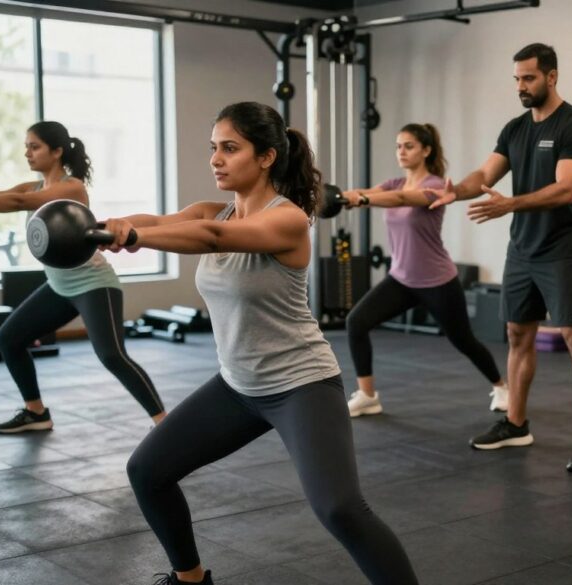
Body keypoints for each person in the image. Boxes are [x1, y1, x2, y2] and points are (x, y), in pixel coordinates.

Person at [101, 102, 417, 585]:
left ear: (267, 156)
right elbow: (169, 221)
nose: (216, 159)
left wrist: (136, 236)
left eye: (230, 148)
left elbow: (212, 237)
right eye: (214, 148)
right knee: (147, 471)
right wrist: (105, 227)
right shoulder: (214, 209)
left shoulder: (288, 220)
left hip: (301, 386)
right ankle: (190, 581)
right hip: (237, 387)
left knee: (341, 509)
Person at [431, 43, 572, 472]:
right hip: (523, 249)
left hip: (563, 248)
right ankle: (515, 423)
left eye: (528, 78)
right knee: (517, 334)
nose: (520, 86)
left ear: (551, 76)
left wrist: (510, 204)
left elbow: (565, 189)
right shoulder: (515, 129)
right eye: (516, 79)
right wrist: (457, 191)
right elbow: (485, 174)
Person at [0, 121, 166, 434]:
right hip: (59, 286)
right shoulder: (33, 187)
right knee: (9, 338)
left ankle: (165, 424)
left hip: (93, 283)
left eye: (34, 146)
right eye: (26, 146)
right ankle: (36, 412)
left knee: (112, 355)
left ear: (57, 151)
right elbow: (4, 196)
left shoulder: (71, 188)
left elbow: (17, 203)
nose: (27, 153)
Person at [339, 123, 508, 417]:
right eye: (398, 146)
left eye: (409, 146)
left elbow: (401, 199)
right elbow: (366, 192)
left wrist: (363, 200)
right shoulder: (394, 183)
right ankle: (367, 396)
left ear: (426, 150)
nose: (401, 152)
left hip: (437, 280)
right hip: (401, 279)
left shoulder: (437, 186)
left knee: (463, 340)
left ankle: (501, 387)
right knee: (356, 322)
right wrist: (340, 197)